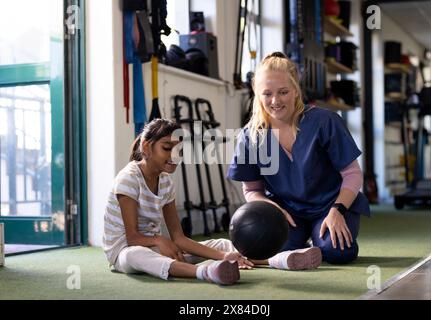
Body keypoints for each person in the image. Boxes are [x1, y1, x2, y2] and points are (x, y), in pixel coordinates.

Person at [227, 52, 370, 265]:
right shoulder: (250, 136)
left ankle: (318, 243)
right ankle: (301, 250)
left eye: (283, 92)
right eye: (267, 93)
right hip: (287, 211)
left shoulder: (325, 122)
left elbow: (352, 174)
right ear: (257, 94)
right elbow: (252, 190)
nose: (275, 101)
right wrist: (272, 209)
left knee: (338, 252)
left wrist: (337, 210)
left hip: (331, 205)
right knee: (264, 248)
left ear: (295, 90)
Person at [103, 119, 253, 285]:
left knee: (222, 244)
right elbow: (132, 238)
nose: (174, 155)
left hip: (154, 248)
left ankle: (273, 260)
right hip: (124, 252)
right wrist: (159, 240)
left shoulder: (166, 182)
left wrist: (224, 256)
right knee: (134, 254)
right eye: (167, 148)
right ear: (146, 147)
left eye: (179, 150)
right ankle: (205, 272)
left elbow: (179, 238)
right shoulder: (128, 179)